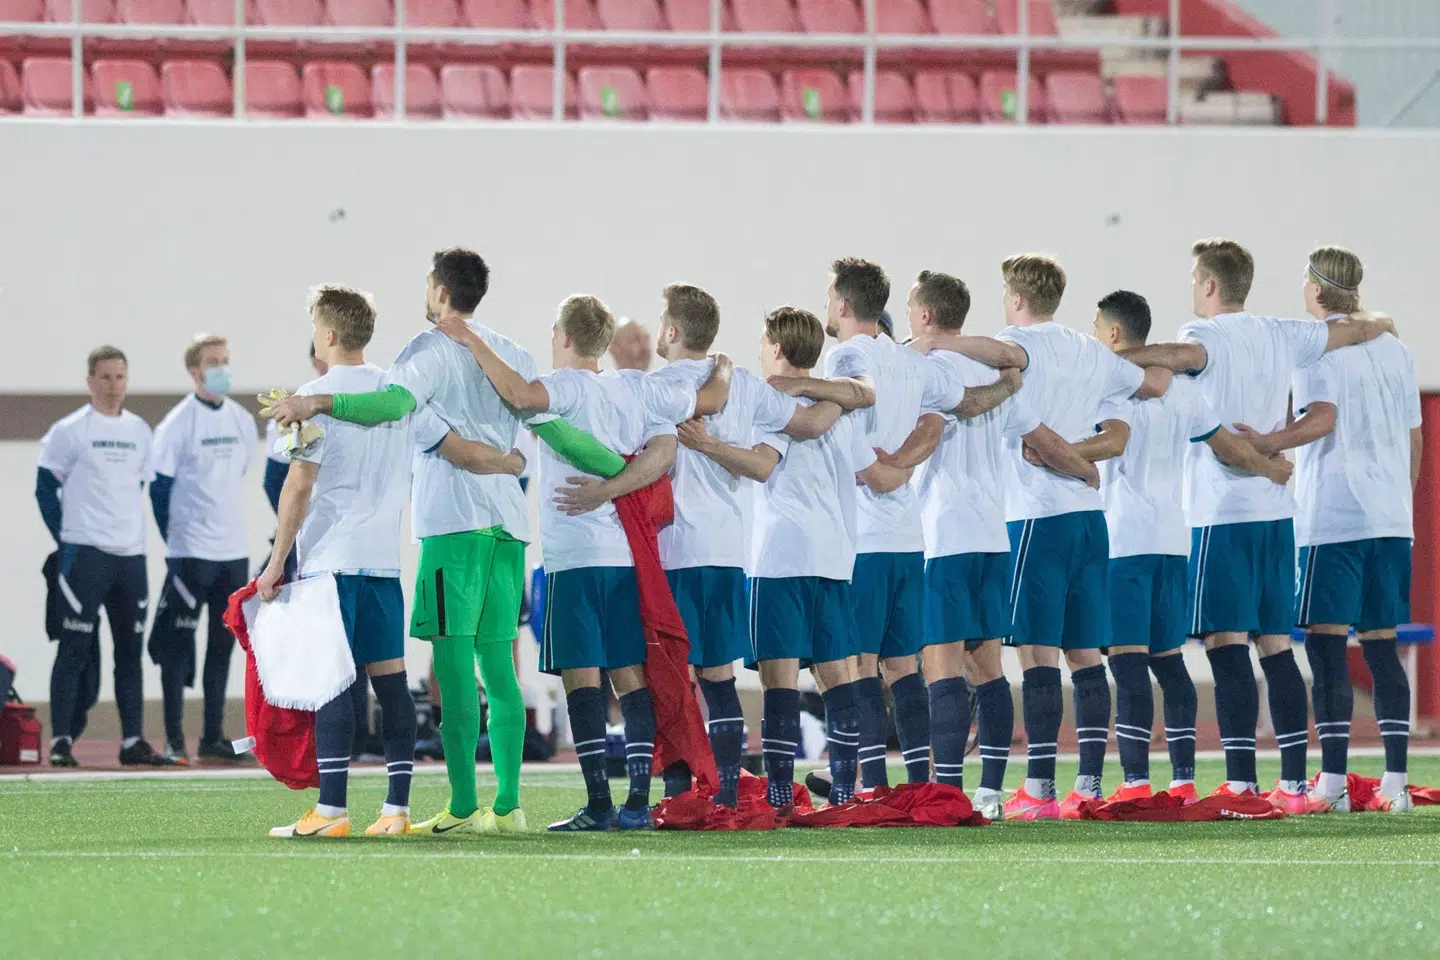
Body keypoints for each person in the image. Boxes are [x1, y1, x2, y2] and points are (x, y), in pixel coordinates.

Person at [269, 247, 627, 835]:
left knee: (456, 669)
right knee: (500, 668)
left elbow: (391, 405)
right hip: (509, 528)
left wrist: (317, 400)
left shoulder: (425, 351)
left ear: (438, 289)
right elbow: (554, 431)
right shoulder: (511, 351)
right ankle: (508, 805)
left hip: (451, 525)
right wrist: (620, 469)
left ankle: (463, 803)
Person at [1119, 238, 1395, 811]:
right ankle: (1293, 784)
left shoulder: (1203, 335)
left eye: (1196, 277)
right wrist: (1381, 318)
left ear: (1211, 285)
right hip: (1278, 517)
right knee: (1275, 646)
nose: (1194, 287)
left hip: (1222, 515)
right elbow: (1353, 331)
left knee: (1225, 644)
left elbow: (1168, 359)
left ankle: (1242, 782)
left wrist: (1107, 358)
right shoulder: (1284, 332)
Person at [433, 293, 727, 831]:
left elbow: (519, 393)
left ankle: (597, 805)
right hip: (624, 556)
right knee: (630, 674)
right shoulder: (636, 388)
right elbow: (664, 453)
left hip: (573, 559)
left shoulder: (563, 387)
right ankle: (638, 803)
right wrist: (616, 489)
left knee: (582, 679)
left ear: (565, 337)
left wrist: (471, 339)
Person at [262, 285, 528, 838]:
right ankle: (395, 810)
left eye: (315, 326)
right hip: (385, 564)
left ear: (329, 334)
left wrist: (274, 561)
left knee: (335, 684)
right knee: (391, 682)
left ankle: (331, 812)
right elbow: (457, 449)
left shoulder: (311, 396)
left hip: (331, 562)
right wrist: (510, 463)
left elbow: (298, 486)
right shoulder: (398, 391)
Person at [916, 254, 1169, 820]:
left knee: (1036, 655)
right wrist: (1086, 460)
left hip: (1035, 513)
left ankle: (1037, 789)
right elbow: (1152, 383)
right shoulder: (1090, 350)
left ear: (1015, 298)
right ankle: (1087, 783)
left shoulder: (1012, 346)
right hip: (1088, 519)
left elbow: (1009, 366)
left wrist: (937, 345)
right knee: (1084, 654)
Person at [682, 307, 910, 810]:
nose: (760, 351)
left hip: (780, 555)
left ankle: (782, 793)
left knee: (778, 679)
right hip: (833, 556)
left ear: (779, 350)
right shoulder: (842, 410)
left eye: (764, 342)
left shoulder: (771, 403)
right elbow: (870, 464)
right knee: (838, 675)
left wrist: (707, 444)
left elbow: (762, 465)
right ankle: (846, 792)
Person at [894, 270, 1095, 819]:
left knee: (940, 664)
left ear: (928, 315)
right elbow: (1042, 437)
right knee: (988, 668)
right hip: (992, 534)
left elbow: (952, 414)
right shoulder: (992, 368)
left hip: (944, 533)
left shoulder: (926, 366)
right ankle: (989, 793)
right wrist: (1084, 469)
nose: (909, 315)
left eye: (912, 306)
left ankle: (950, 794)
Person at [1229, 247, 1420, 813]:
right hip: (1389, 519)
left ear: (1315, 289)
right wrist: (1399, 505)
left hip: (1335, 517)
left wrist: (1265, 442)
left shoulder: (1316, 349)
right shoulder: (1398, 350)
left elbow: (1321, 419)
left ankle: (1332, 781)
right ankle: (1395, 783)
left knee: (1328, 648)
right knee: (1383, 648)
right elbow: (1415, 437)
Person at [1090, 289, 1291, 805]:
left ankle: (1135, 783)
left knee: (1128, 661)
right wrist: (1271, 467)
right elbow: (1228, 447)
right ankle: (1182, 780)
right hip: (1173, 541)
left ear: (1114, 334)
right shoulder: (1183, 393)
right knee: (1170, 662)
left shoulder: (1108, 390)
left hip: (1125, 539)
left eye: (1096, 328)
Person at [645, 283, 841, 807]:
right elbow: (798, 431)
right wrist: (856, 392)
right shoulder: (748, 386)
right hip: (729, 553)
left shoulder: (654, 388)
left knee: (672, 680)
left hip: (675, 550)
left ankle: (678, 794)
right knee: (719, 678)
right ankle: (728, 794)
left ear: (671, 330)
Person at [36, 346, 160, 767]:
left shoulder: (141, 431)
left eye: (120, 377)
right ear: (90, 381)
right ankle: (61, 741)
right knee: (74, 648)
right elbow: (43, 488)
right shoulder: (69, 431)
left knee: (130, 650)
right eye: (105, 377)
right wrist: (68, 539)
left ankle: (132, 742)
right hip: (85, 557)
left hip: (130, 558)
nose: (113, 385)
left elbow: (138, 488)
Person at [146, 334, 257, 765]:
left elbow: (238, 474)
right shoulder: (176, 424)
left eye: (226, 360)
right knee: (176, 646)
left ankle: (213, 735)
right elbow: (159, 490)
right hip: (189, 554)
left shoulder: (242, 421)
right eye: (213, 362)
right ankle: (175, 737)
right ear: (195, 371)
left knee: (221, 645)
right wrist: (175, 543)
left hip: (232, 552)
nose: (222, 368)